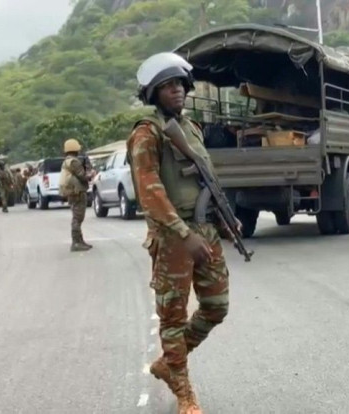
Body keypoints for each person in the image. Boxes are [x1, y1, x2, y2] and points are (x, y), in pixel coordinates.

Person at [127, 52, 233, 414]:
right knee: (172, 316)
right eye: (168, 86)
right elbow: (149, 190)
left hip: (204, 228)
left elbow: (207, 178)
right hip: (174, 236)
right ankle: (184, 393)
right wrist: (182, 233)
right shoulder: (147, 132)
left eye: (180, 85)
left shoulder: (191, 128)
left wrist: (223, 222)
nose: (177, 92)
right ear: (154, 93)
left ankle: (169, 362)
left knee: (217, 306)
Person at [60, 138, 93, 252]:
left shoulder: (67, 161)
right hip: (77, 191)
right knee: (78, 217)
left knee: (77, 216)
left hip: (73, 191)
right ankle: (76, 242)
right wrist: (90, 174)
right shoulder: (74, 162)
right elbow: (82, 176)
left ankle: (79, 241)